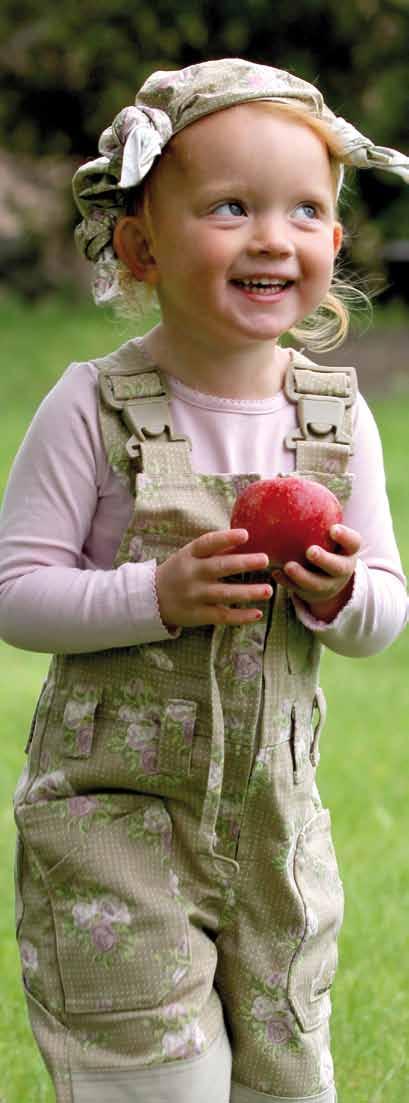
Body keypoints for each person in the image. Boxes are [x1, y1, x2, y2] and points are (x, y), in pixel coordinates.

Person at [1, 58, 408, 1103]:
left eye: (306, 210)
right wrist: (153, 594)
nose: (274, 235)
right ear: (140, 242)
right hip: (115, 828)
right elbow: (17, 590)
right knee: (152, 1079)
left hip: (274, 832)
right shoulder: (92, 406)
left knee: (284, 1080)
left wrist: (338, 594)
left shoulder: (335, 419)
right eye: (231, 206)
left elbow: (384, 613)